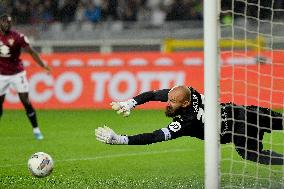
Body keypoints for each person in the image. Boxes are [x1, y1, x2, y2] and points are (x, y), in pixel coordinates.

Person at [95, 85, 284, 165]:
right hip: (243, 123)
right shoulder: (189, 93)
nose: (168, 103)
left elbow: (153, 137)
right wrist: (129, 103)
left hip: (244, 120)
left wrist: (120, 140)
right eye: (168, 99)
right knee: (251, 154)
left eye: (173, 101)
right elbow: (153, 95)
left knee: (252, 153)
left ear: (184, 104)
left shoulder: (185, 124)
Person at [0, 14, 50, 140]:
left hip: (17, 74)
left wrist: (42, 65)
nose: (7, 24)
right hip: (1, 75)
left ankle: (36, 130)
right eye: (5, 22)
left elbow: (31, 52)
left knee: (25, 101)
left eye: (9, 22)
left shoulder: (18, 37)